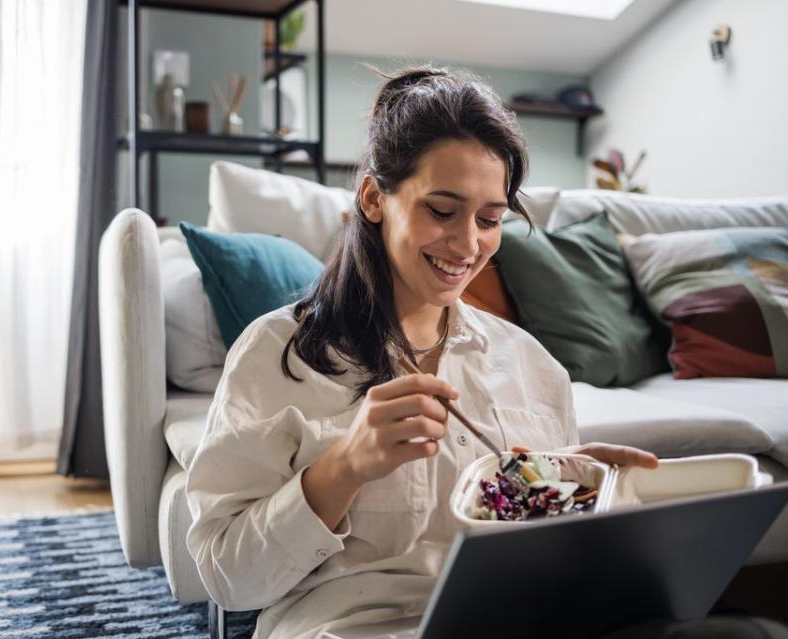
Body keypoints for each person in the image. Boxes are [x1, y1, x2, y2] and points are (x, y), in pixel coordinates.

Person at [184, 66, 660, 639]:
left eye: (489, 220)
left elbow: (541, 552)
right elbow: (226, 576)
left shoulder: (531, 365)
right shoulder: (278, 353)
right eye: (441, 210)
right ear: (373, 199)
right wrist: (346, 465)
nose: (467, 245)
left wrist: (585, 494)